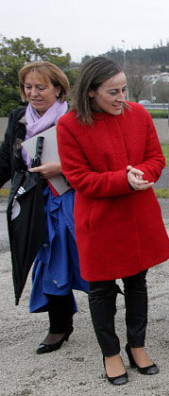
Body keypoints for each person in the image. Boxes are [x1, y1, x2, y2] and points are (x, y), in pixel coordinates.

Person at [57, 56, 169, 385]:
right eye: (113, 92)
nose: (123, 98)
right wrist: (124, 179)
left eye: (124, 89)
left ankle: (137, 346)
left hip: (137, 215)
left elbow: (156, 158)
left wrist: (143, 174)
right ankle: (110, 353)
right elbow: (79, 179)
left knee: (138, 283)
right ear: (91, 92)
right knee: (101, 289)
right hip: (100, 220)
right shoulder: (69, 126)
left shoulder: (138, 114)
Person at [0, 61, 87, 354]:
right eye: (28, 87)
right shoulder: (17, 119)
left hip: (72, 197)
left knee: (85, 258)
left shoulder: (75, 118)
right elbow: (5, 160)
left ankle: (107, 320)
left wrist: (62, 167)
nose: (34, 93)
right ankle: (59, 325)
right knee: (48, 259)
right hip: (35, 200)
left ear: (58, 88)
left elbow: (95, 159)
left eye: (41, 87)